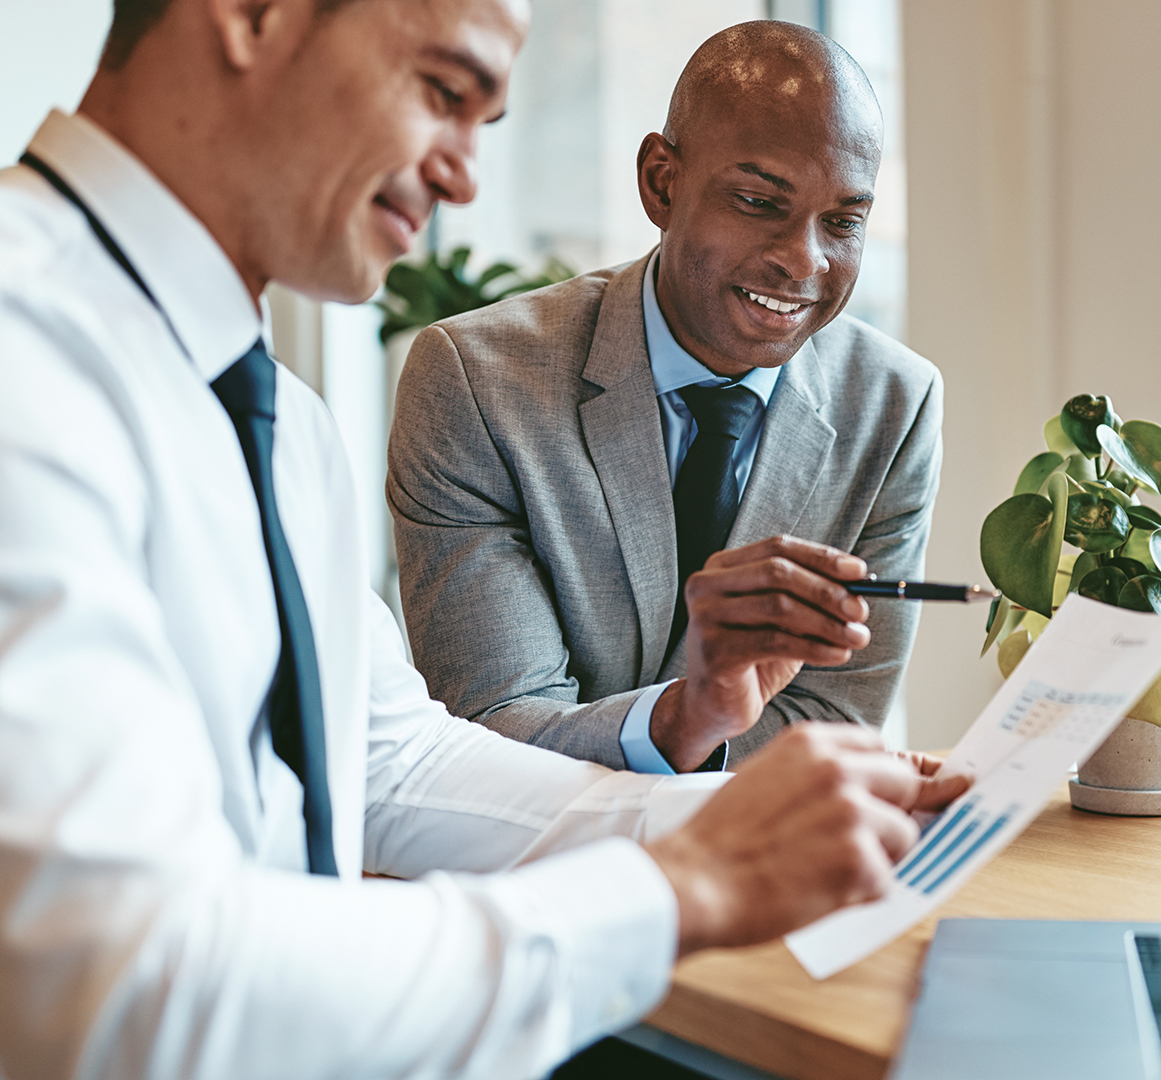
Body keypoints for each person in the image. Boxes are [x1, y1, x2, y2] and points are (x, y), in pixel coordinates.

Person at [0, 2, 966, 1077]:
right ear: (251, 17)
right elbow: (128, 987)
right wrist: (680, 887)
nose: (462, 177)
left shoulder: (274, 417)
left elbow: (390, 763)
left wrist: (737, 817)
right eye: (443, 93)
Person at [387, 20, 942, 775]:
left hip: (761, 871)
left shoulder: (893, 407)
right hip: (533, 872)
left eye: (843, 221)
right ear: (661, 181)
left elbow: (830, 725)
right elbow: (492, 727)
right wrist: (689, 717)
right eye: (758, 201)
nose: (803, 261)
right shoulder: (476, 381)